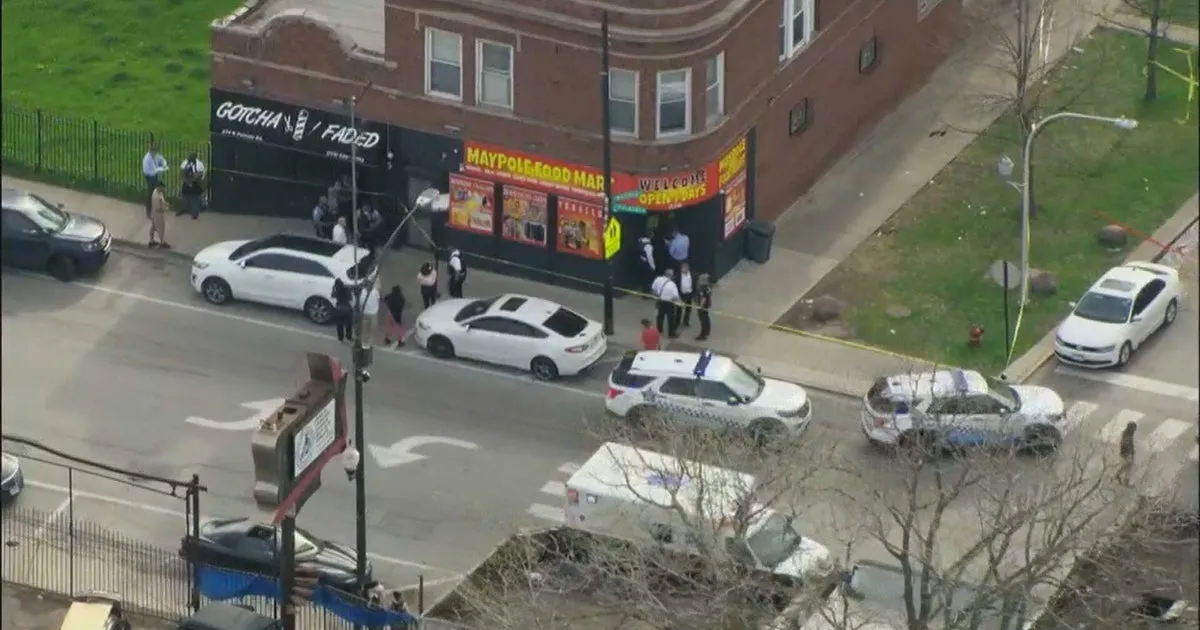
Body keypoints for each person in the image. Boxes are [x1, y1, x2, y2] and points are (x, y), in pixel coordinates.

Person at [650, 269, 680, 338]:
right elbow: (675, 297)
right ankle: (671, 334)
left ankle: (659, 331)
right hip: (669, 303)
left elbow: (653, 290)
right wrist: (680, 303)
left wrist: (657, 297)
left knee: (660, 317)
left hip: (660, 301)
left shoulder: (658, 279)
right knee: (671, 318)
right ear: (671, 276)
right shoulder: (672, 284)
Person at [141, 142, 168, 217]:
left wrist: (164, 164)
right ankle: (149, 212)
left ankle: (160, 206)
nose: (156, 152)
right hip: (150, 176)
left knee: (161, 190)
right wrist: (163, 168)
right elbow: (154, 170)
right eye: (155, 150)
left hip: (155, 176)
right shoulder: (147, 159)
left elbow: (161, 159)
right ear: (151, 150)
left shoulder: (155, 155)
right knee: (151, 194)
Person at [178, 151, 205, 219]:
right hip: (187, 181)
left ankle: (195, 213)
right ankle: (184, 209)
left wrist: (192, 181)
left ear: (195, 157)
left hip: (196, 183)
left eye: (191, 157)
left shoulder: (199, 164)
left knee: (195, 198)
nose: (189, 158)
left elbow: (200, 174)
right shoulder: (185, 163)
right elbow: (182, 173)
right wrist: (187, 181)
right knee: (185, 195)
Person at [149, 181, 171, 249]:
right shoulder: (156, 197)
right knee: (161, 228)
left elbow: (162, 200)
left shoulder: (158, 192)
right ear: (159, 187)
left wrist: (165, 203)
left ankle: (151, 241)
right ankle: (162, 242)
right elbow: (158, 209)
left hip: (154, 214)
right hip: (158, 215)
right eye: (162, 188)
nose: (164, 189)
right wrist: (166, 209)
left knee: (153, 227)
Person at [331, 277, 353, 342]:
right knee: (348, 325)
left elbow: (332, 295)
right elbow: (350, 298)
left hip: (339, 309)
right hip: (347, 309)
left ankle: (340, 338)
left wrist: (333, 288)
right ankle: (349, 337)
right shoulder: (347, 289)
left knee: (339, 325)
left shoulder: (337, 290)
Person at [1117, 421, 1137, 486]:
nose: (1135, 430)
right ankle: (1122, 478)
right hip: (1126, 451)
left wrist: (1132, 450)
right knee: (1129, 465)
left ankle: (1120, 475)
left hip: (1128, 451)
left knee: (1129, 465)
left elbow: (1130, 443)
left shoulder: (1130, 433)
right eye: (1134, 428)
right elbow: (1126, 443)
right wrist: (1130, 450)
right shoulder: (1127, 434)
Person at [695, 273, 714, 342]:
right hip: (707, 304)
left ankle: (703, 335)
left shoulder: (701, 288)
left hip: (703, 305)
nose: (698, 280)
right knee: (706, 317)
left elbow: (703, 298)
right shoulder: (708, 286)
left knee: (703, 320)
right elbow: (710, 293)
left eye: (700, 279)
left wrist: (700, 307)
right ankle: (707, 331)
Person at [678, 263, 695, 328]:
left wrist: (694, 295)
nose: (683, 269)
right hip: (681, 295)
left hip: (689, 294)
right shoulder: (678, 275)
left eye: (684, 268)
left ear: (688, 268)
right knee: (679, 309)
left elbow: (694, 285)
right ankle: (677, 321)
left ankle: (686, 321)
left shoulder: (692, 275)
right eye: (682, 268)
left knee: (688, 309)